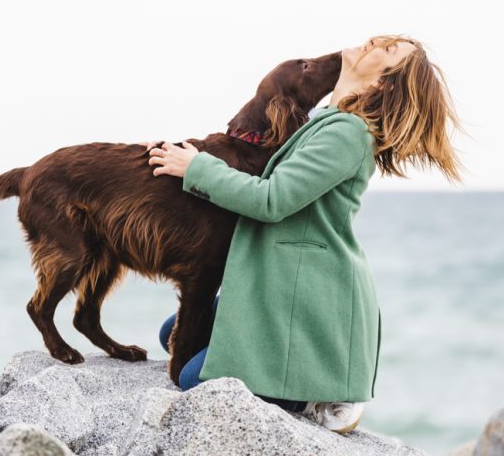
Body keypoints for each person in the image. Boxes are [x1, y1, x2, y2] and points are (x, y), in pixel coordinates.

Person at [146, 34, 463, 433]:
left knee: (192, 377)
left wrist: (196, 168)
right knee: (171, 336)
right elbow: (253, 160)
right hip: (274, 283)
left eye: (390, 49)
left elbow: (272, 199)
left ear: (384, 82)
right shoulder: (325, 121)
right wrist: (171, 155)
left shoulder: (347, 133)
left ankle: (320, 390)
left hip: (301, 294)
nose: (376, 41)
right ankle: (298, 373)